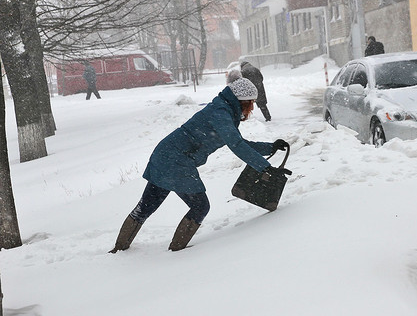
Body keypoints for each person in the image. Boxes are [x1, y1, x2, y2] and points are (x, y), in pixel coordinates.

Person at [109, 77, 290, 252]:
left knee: (146, 206)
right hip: (177, 160)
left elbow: (238, 142)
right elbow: (236, 145)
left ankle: (120, 248)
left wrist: (270, 147)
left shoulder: (223, 110)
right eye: (251, 103)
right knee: (200, 206)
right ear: (243, 101)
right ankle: (178, 251)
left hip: (165, 155)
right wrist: (264, 168)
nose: (251, 108)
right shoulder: (221, 114)